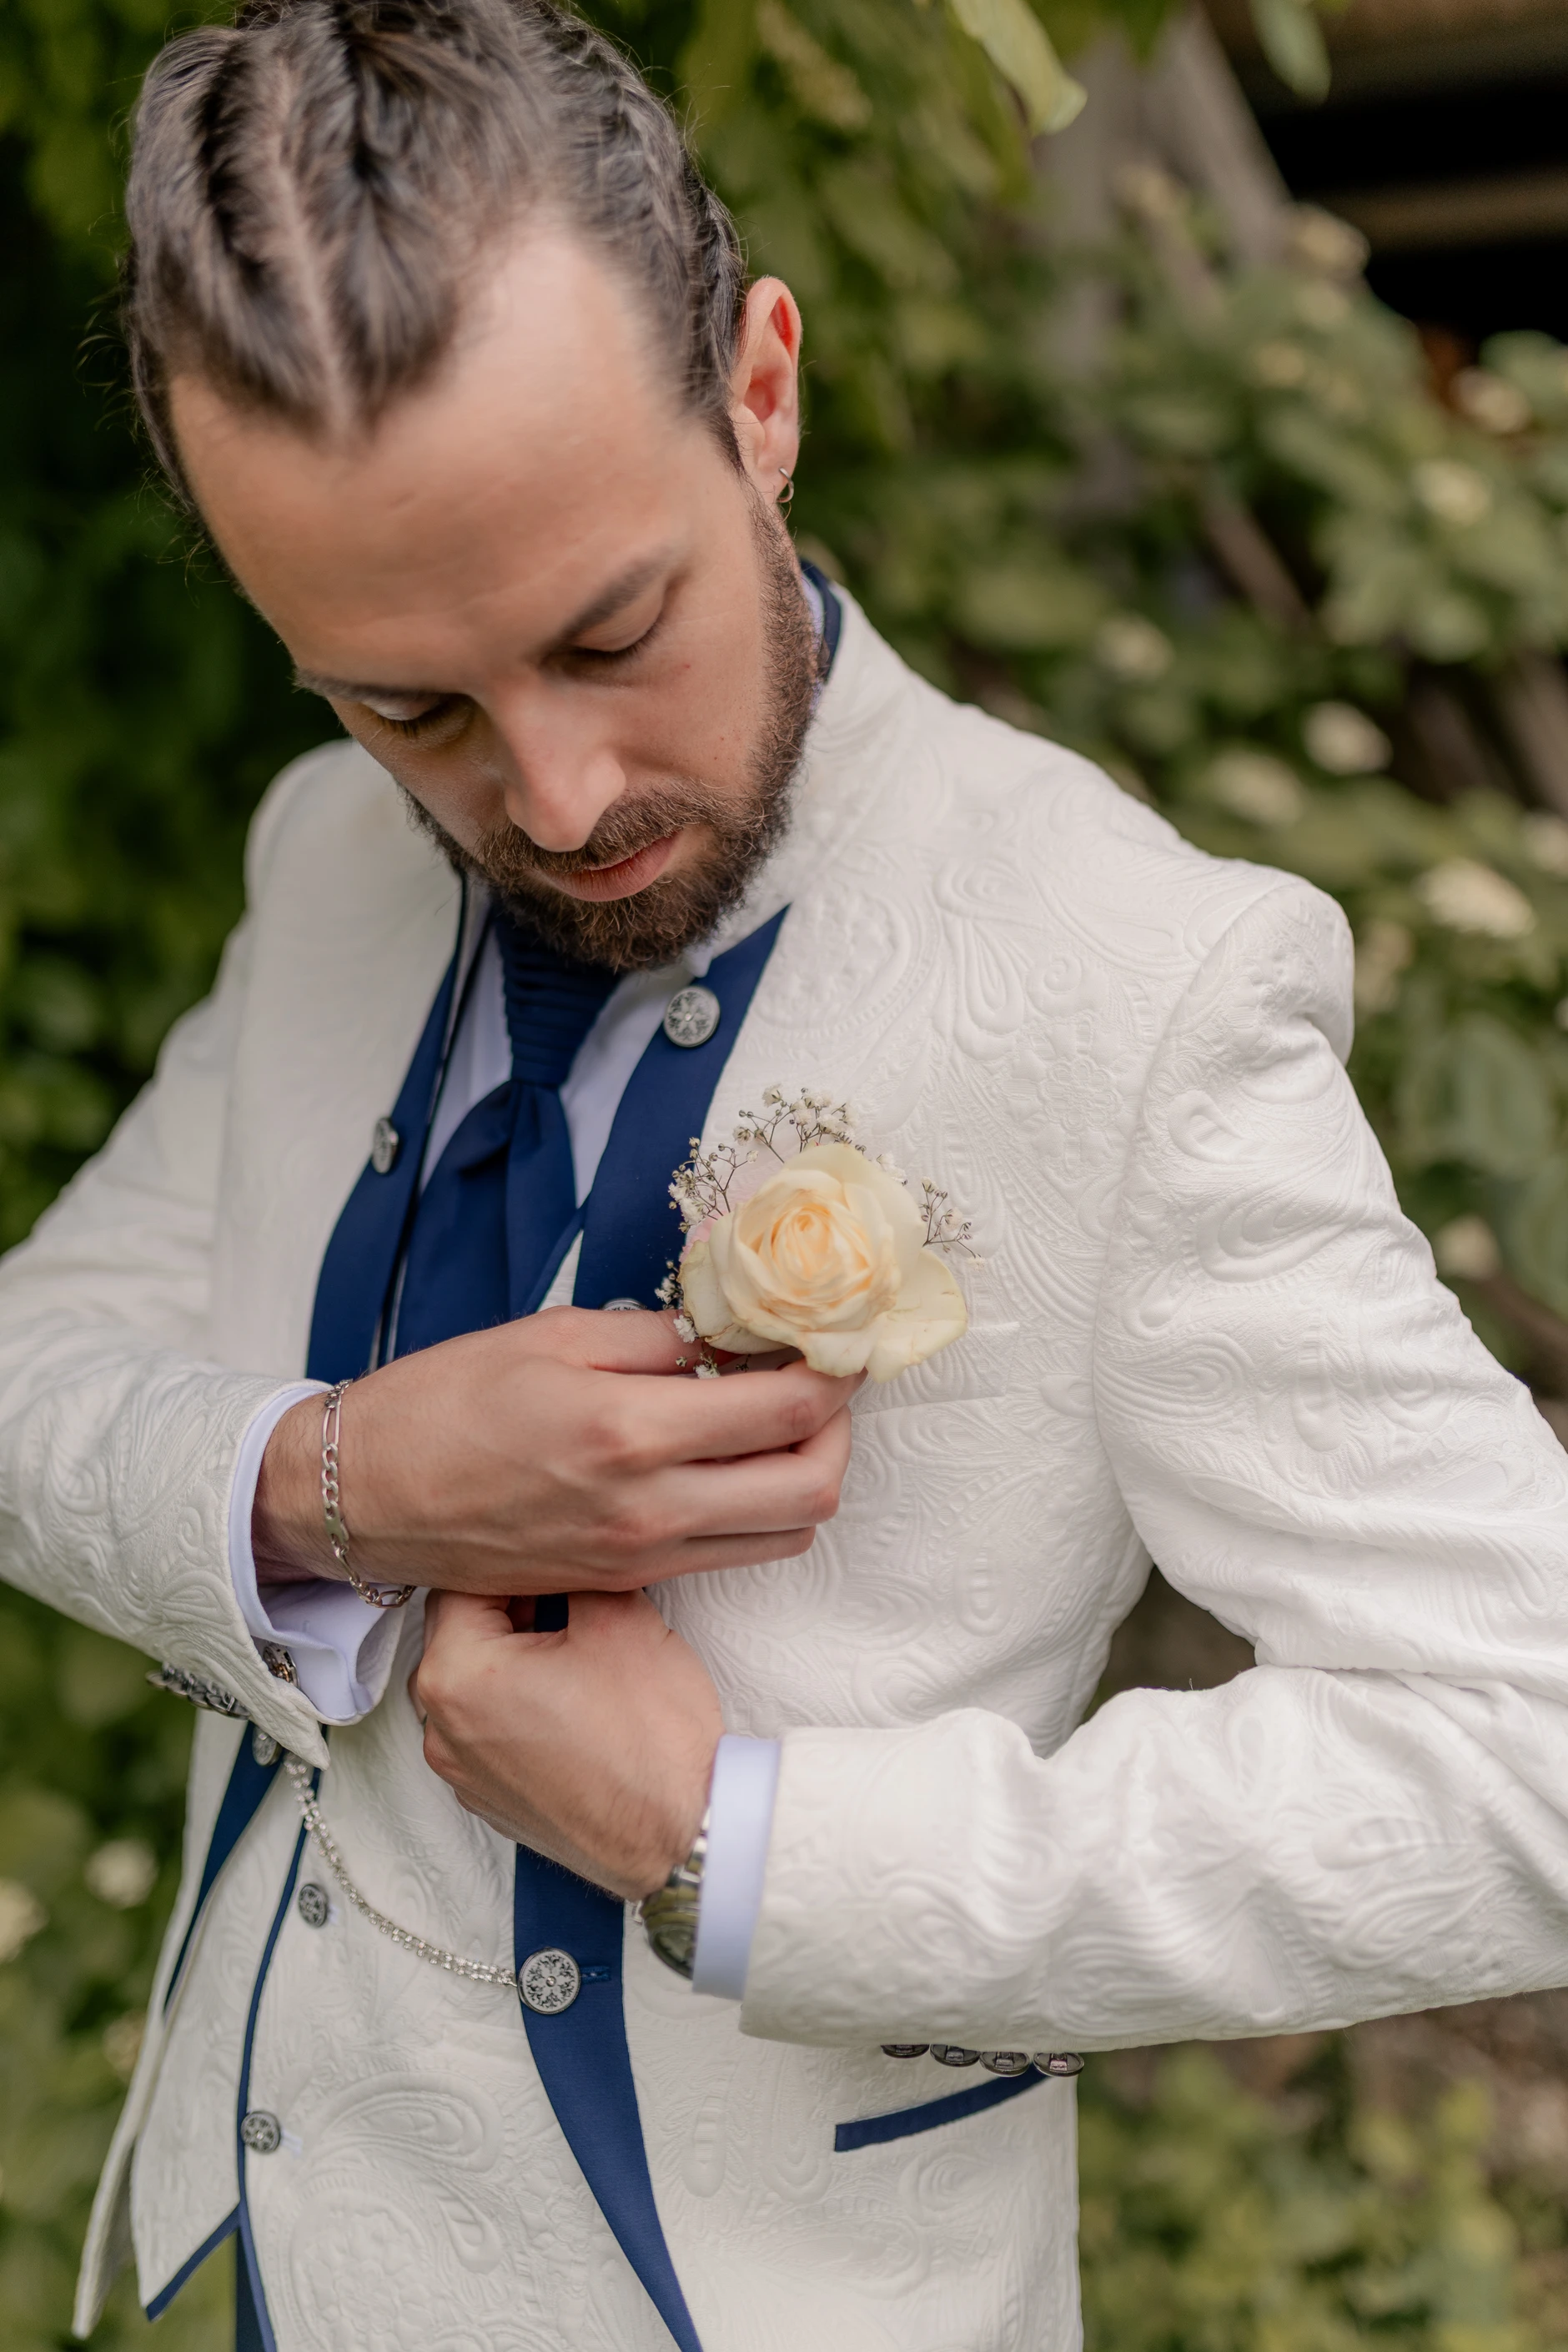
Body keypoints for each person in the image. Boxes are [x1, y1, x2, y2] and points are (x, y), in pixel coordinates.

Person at [6, 2, 1568, 2346]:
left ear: (761, 392)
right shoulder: (321, 855)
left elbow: (1532, 1752)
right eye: (406, 698)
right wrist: (332, 1480)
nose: (546, 796)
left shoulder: (1140, 986)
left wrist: (749, 1849)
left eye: (610, 629)